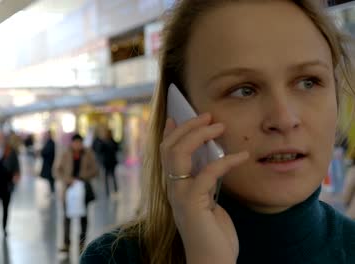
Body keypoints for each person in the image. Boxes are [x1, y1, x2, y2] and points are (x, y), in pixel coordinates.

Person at [81, 1, 355, 263]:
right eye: (243, 90)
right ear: (182, 112)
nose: (284, 119)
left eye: (309, 82)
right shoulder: (114, 258)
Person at [55, 133, 98, 253]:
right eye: (76, 143)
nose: (78, 145)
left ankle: (81, 243)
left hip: (83, 188)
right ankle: (66, 243)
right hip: (68, 190)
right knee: (66, 217)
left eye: (80, 143)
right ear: (72, 143)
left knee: (84, 217)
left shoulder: (88, 153)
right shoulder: (65, 154)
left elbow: (95, 170)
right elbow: (57, 170)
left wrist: (82, 177)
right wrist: (68, 179)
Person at [100, 129, 119, 196]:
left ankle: (110, 191)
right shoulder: (111, 141)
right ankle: (112, 190)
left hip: (109, 162)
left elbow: (101, 151)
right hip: (109, 162)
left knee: (109, 177)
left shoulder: (109, 142)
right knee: (111, 176)